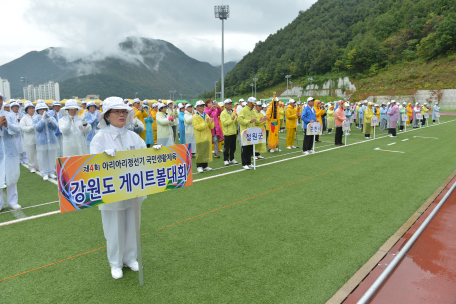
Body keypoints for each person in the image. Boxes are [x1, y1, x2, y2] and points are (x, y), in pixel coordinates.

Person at [90, 96, 150, 280]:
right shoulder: (100, 138)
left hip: (133, 189)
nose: (121, 114)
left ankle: (130, 258)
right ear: (107, 116)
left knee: (133, 224)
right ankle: (115, 263)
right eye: (117, 111)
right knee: (114, 227)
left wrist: (154, 152)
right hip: (112, 192)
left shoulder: (133, 136)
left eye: (123, 111)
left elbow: (144, 157)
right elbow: (92, 164)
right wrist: (102, 157)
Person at [0, 94, 22, 210]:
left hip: (10, 151)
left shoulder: (9, 115)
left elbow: (17, 129)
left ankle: (12, 201)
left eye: (0, 100)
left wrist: (7, 124)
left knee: (11, 176)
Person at [33, 103, 59, 180]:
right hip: (41, 141)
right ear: (37, 111)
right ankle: (44, 173)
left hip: (51, 141)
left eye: (44, 109)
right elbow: (37, 128)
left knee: (52, 156)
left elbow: (55, 127)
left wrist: (49, 120)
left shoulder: (51, 118)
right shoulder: (35, 119)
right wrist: (43, 120)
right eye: (41, 109)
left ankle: (51, 172)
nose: (43, 111)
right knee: (42, 157)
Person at [193, 100, 214, 172]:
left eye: (203, 106)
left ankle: (205, 166)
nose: (202, 107)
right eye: (200, 106)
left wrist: (211, 123)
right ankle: (199, 166)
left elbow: (211, 126)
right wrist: (206, 123)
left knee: (206, 151)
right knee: (200, 152)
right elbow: (197, 127)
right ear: (197, 107)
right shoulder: (195, 116)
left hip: (207, 136)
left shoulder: (206, 115)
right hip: (200, 137)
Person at [238, 97, 257, 170]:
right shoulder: (243, 110)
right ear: (248, 103)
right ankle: (244, 163)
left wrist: (261, 120)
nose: (253, 106)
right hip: (245, 133)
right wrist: (249, 121)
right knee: (245, 149)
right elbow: (240, 120)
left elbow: (255, 120)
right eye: (252, 104)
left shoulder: (252, 111)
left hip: (252, 132)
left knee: (250, 149)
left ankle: (249, 162)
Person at [20, 102, 39, 173]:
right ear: (27, 110)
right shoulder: (24, 118)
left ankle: (38, 166)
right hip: (28, 137)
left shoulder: (37, 117)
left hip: (37, 136)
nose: (32, 109)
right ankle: (32, 166)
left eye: (33, 108)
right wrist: (31, 128)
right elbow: (23, 128)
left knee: (37, 152)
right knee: (30, 152)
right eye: (30, 108)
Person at [220, 99, 238, 165]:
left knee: (233, 147)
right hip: (227, 133)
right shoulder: (223, 113)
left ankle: (232, 159)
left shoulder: (233, 111)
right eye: (229, 104)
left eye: (231, 104)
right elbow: (224, 123)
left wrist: (237, 119)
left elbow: (235, 122)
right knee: (226, 147)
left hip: (233, 132)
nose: (230, 105)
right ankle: (226, 159)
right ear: (225, 105)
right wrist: (232, 119)